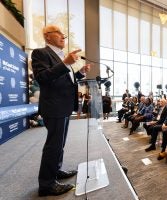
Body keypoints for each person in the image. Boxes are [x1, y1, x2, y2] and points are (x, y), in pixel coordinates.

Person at [31, 25, 90, 196]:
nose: (63, 37)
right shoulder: (40, 53)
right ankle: (47, 184)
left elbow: (65, 80)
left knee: (59, 145)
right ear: (47, 36)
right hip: (54, 105)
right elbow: (43, 78)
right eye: (59, 34)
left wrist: (79, 73)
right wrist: (65, 64)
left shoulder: (61, 56)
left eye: (64, 35)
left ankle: (55, 171)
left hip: (63, 106)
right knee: (53, 145)